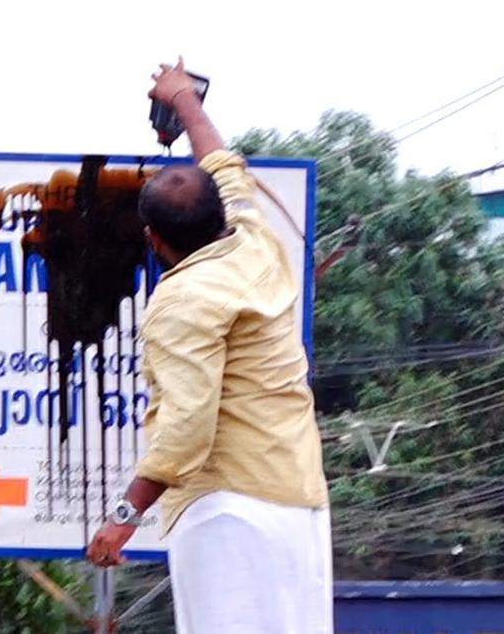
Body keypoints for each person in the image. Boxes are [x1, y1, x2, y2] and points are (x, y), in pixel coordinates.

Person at [87, 58, 332, 633]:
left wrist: (123, 517)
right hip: (299, 503)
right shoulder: (254, 239)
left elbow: (187, 430)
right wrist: (184, 100)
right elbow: (223, 163)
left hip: (229, 512)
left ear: (153, 240)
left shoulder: (180, 301)